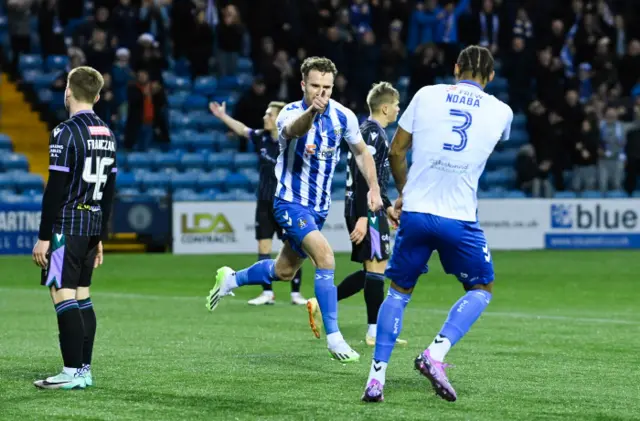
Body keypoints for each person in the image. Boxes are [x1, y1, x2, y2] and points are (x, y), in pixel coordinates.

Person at [206, 56, 383, 363]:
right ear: (303, 84)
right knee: (326, 257)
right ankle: (335, 339)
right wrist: (312, 112)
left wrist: (375, 187)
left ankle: (231, 279)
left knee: (284, 271)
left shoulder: (343, 116)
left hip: (318, 209)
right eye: (315, 86)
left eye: (326, 87)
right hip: (288, 201)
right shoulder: (289, 112)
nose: (321, 93)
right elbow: (293, 131)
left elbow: (361, 152)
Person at [361, 45, 513, 403]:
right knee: (481, 288)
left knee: (397, 293)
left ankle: (376, 379)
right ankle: (436, 353)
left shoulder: (427, 95)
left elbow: (396, 151)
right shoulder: (502, 111)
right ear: (491, 77)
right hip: (460, 217)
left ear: (455, 67)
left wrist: (403, 192)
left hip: (416, 212)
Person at [32, 66, 117, 390]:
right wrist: (100, 237)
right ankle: (84, 369)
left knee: (61, 292)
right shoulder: (107, 133)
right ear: (96, 96)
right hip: (90, 225)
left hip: (64, 228)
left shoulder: (65, 132)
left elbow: (55, 188)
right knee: (82, 295)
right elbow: (110, 189)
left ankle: (70, 371)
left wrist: (44, 237)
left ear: (68, 90)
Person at [306, 82, 407, 346]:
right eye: (396, 105)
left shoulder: (372, 132)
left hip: (371, 208)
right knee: (376, 269)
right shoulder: (371, 133)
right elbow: (363, 178)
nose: (398, 109)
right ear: (385, 107)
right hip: (365, 210)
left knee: (374, 270)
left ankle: (322, 301)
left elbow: (377, 181)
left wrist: (386, 207)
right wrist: (364, 216)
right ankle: (374, 332)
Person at [208, 100, 306, 306]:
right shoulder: (261, 137)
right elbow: (243, 130)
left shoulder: (290, 141)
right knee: (264, 245)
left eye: (270, 114)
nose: (265, 117)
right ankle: (267, 292)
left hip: (286, 202)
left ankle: (296, 293)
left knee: (294, 245)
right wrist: (222, 116)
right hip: (264, 201)